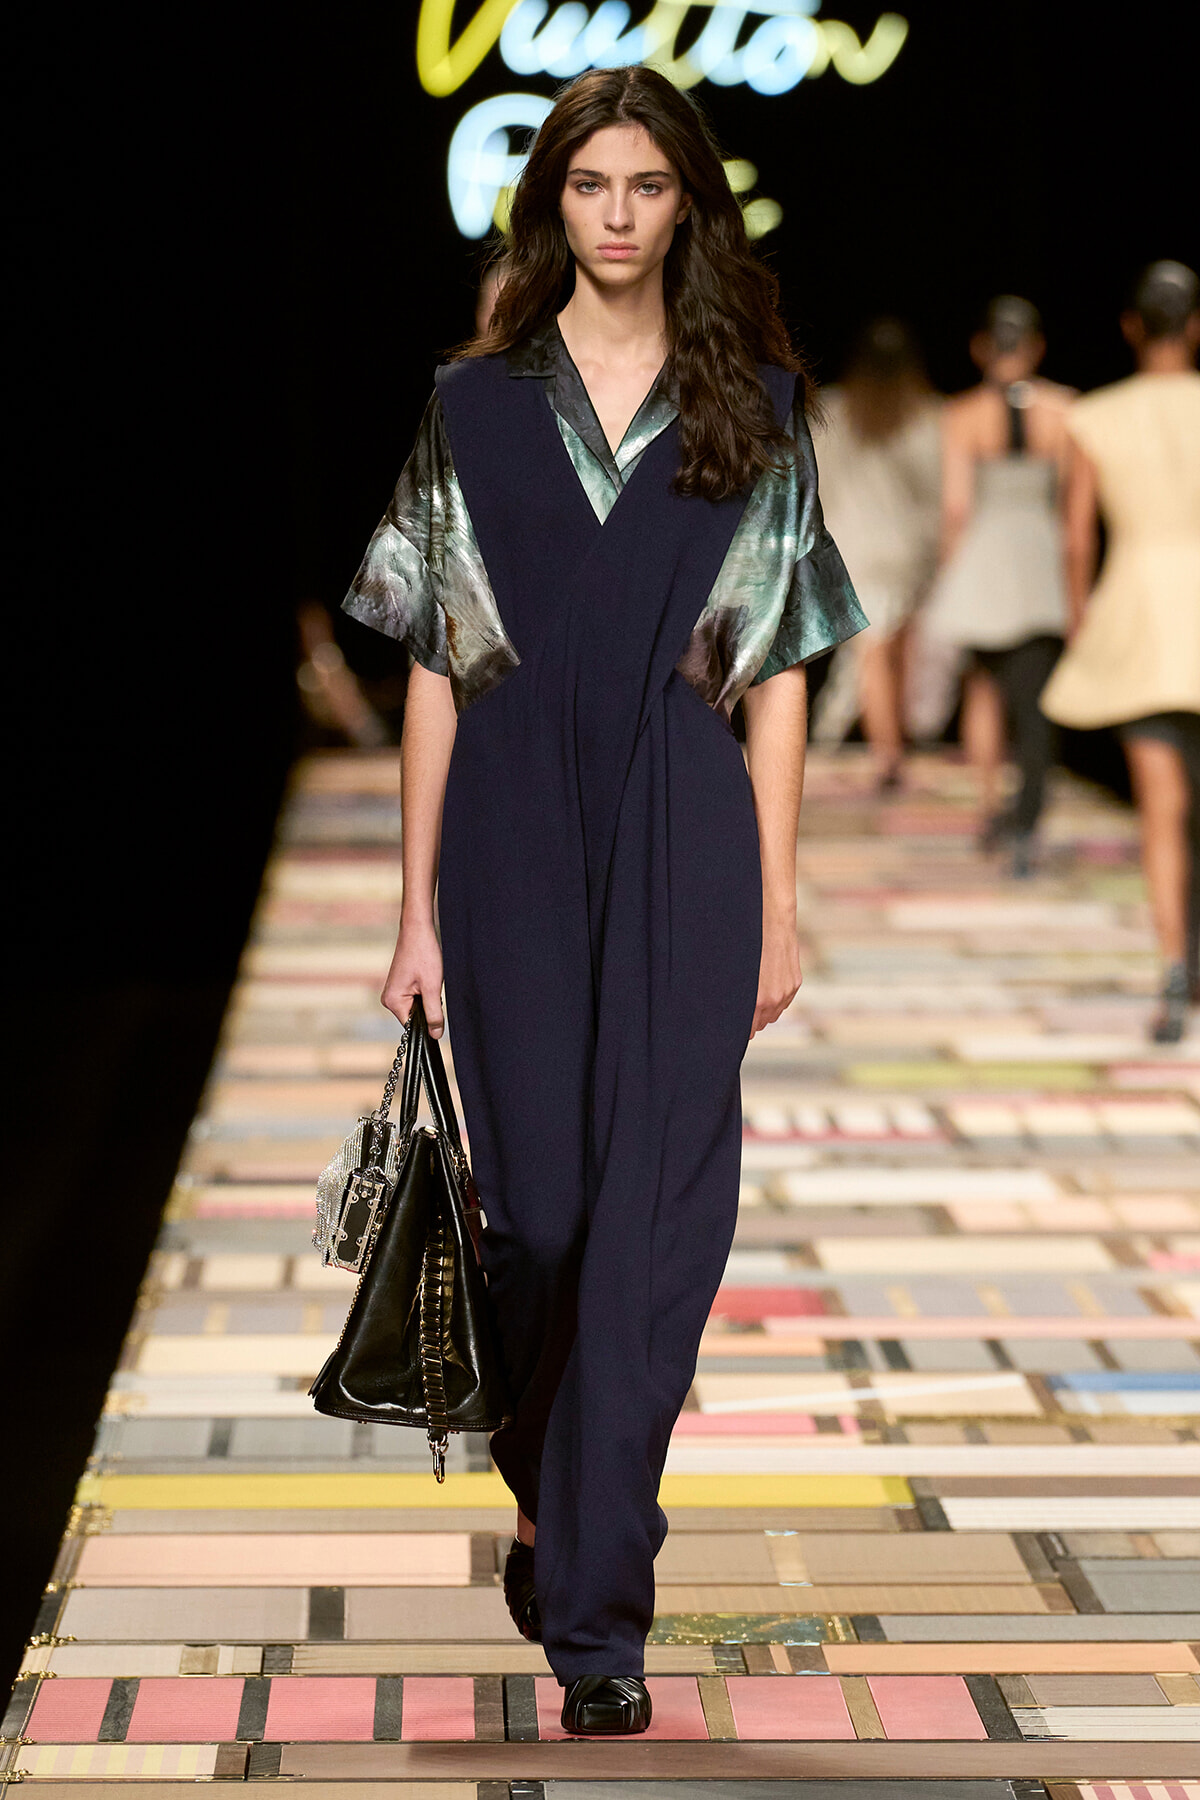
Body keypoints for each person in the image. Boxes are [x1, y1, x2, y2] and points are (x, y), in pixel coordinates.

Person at [342, 65, 864, 1735]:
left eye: (650, 187)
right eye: (593, 186)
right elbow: (436, 661)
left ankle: (598, 1610)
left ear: (689, 203)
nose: (622, 215)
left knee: (655, 1225)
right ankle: (552, 1478)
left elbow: (780, 672)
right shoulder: (478, 405)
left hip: (686, 821)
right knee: (545, 1214)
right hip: (506, 820)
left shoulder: (756, 401)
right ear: (551, 199)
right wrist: (415, 912)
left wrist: (781, 903)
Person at [1041, 260, 1200, 1043]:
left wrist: (1081, 620)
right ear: (1195, 325)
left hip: (1141, 614)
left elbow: (1076, 539)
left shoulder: (1095, 416)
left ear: (1133, 327)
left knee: (1162, 812)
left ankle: (1175, 971)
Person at [924, 296, 1074, 874]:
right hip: (1040, 560)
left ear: (983, 348)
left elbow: (957, 508)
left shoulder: (962, 415)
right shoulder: (1065, 410)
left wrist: (946, 575)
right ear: (1035, 346)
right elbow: (1071, 508)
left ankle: (991, 806)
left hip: (985, 562)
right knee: (1035, 701)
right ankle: (1027, 821)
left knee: (983, 689)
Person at [811, 318, 942, 788]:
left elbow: (813, 480)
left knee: (874, 648)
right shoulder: (928, 417)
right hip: (906, 549)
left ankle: (889, 751)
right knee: (894, 646)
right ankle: (892, 747)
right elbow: (940, 492)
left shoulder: (832, 411)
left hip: (855, 548)